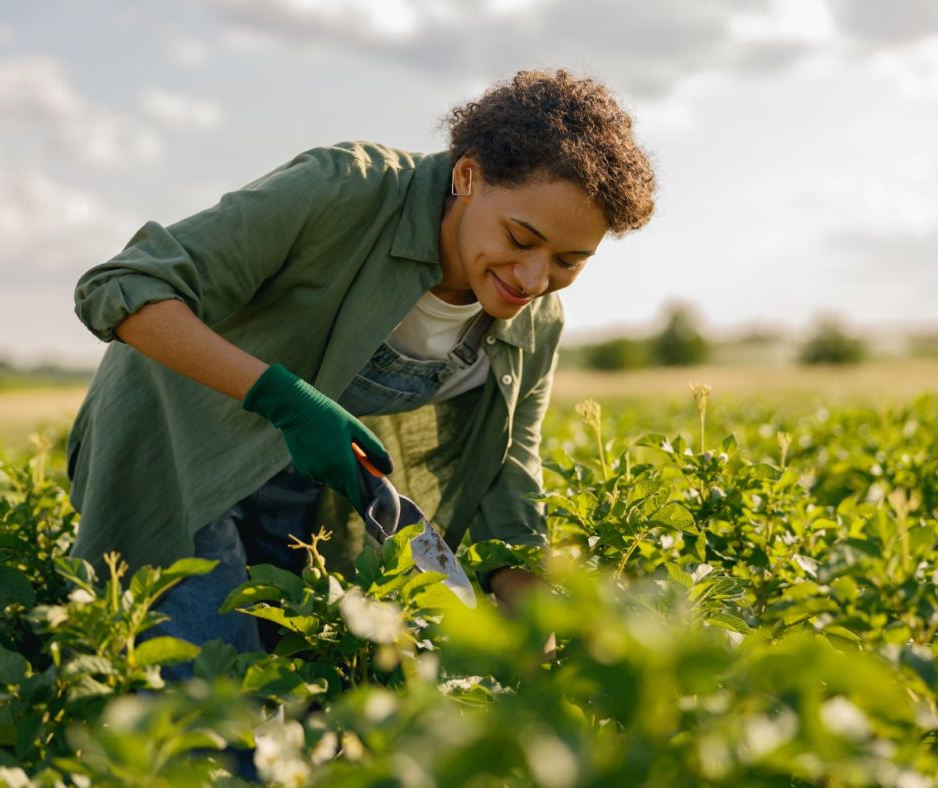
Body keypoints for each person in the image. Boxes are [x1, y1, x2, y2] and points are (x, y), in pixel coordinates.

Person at [67, 68, 656, 657]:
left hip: (296, 473)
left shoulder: (535, 323)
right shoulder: (345, 190)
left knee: (300, 675)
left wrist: (532, 609)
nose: (534, 278)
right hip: (177, 452)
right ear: (468, 175)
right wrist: (283, 399)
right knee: (215, 698)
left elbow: (506, 464)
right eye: (520, 239)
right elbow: (123, 286)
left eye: (569, 261)